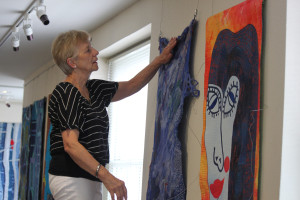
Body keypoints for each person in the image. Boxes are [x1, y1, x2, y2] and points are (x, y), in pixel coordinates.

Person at [48, 30, 177, 200]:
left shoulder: (94, 89)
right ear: (72, 62)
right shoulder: (66, 92)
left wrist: (159, 61)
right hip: (71, 177)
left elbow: (132, 86)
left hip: (90, 177)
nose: (96, 52)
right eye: (88, 50)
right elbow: (70, 145)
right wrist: (107, 177)